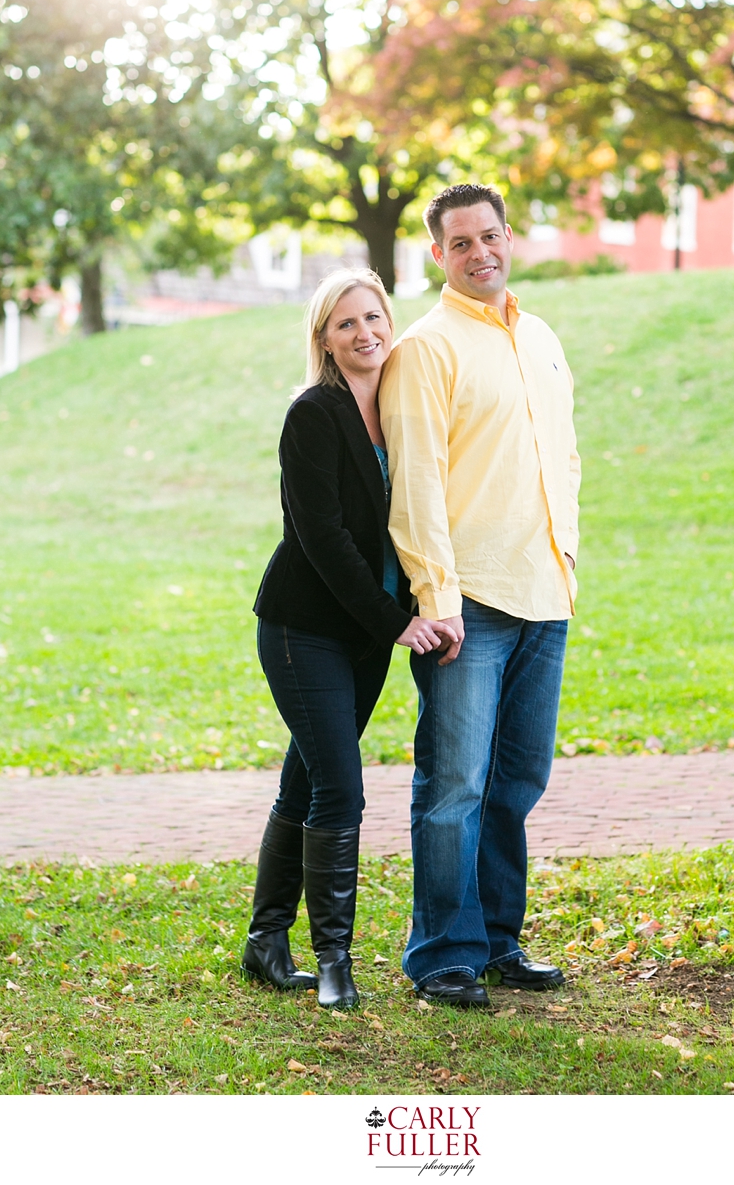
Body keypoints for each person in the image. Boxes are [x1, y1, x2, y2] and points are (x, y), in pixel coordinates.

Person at [379, 184, 581, 1008]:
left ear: (509, 238)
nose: (480, 253)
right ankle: (443, 957)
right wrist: (437, 597)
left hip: (545, 592)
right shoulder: (426, 349)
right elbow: (416, 484)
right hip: (470, 604)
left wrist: (567, 558)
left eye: (489, 236)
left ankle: (499, 940)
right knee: (455, 782)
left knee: (516, 781)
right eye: (460, 243)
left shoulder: (540, 337)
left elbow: (563, 458)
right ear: (438, 254)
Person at [244, 268, 457, 1010]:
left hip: (365, 636)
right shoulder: (314, 414)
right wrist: (398, 622)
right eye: (346, 324)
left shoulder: (398, 410)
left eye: (373, 317)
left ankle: (266, 940)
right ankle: (334, 960)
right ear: (324, 341)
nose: (365, 333)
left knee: (306, 780)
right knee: (341, 785)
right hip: (306, 631)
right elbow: (324, 538)